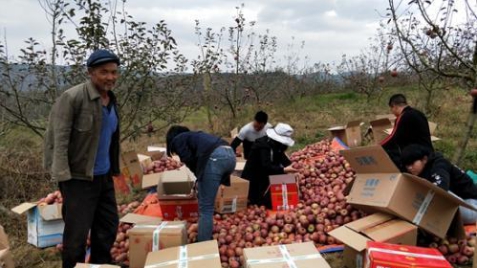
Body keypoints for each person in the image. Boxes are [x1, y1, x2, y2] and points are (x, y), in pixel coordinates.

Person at [43, 49, 121, 268]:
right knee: (77, 235)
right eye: (104, 72)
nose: (110, 77)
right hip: (78, 178)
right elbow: (58, 138)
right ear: (90, 73)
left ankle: (100, 264)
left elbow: (111, 139)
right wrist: (63, 177)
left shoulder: (111, 100)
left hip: (103, 176)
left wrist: (115, 170)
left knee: (107, 225)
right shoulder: (73, 98)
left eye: (114, 72)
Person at [166, 126, 236, 242]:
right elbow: (198, 161)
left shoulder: (177, 140)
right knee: (207, 199)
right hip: (230, 155)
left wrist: (200, 177)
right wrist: (201, 179)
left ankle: (203, 244)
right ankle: (206, 231)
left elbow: (189, 159)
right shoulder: (196, 137)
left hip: (215, 159)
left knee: (206, 208)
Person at [401, 144, 477, 224]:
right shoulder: (419, 171)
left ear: (424, 159)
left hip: (472, 206)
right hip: (460, 207)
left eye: (412, 163)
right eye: (407, 165)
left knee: (437, 194)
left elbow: (442, 188)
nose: (409, 168)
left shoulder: (439, 164)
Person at [241, 123, 298, 209]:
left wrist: (292, 165)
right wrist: (284, 170)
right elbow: (266, 166)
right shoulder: (263, 146)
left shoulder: (275, 145)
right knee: (263, 203)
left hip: (264, 176)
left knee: (273, 200)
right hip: (255, 179)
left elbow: (280, 156)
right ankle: (254, 200)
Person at [381, 94, 433, 170]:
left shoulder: (403, 116)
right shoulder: (418, 113)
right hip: (429, 153)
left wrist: (378, 147)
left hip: (417, 156)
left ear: (394, 106)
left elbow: (393, 137)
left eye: (391, 109)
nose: (392, 112)